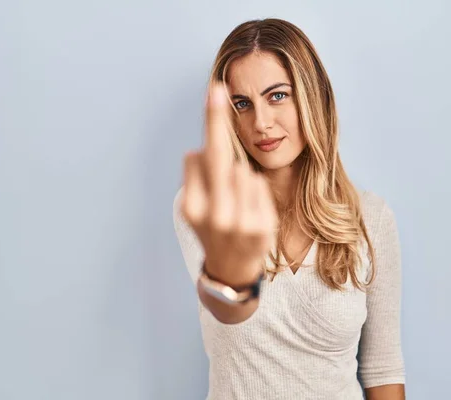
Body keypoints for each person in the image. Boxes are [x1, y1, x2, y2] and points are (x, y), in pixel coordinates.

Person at [173, 18, 405, 400]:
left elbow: (383, 369)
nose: (261, 123)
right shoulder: (204, 207)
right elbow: (229, 312)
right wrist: (231, 277)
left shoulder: (372, 218)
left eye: (277, 95)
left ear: (311, 96)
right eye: (242, 104)